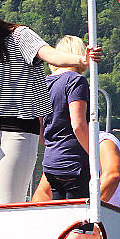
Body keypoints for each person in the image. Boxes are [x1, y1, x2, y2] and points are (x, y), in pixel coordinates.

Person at [0, 0, 102, 204]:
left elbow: (49, 54)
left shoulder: (19, 36)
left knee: (10, 202)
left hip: (18, 129)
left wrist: (81, 60)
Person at [34, 131, 120, 239]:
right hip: (69, 225)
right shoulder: (63, 149)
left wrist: (87, 212)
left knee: (80, 229)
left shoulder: (103, 142)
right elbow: (43, 193)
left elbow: (112, 175)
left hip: (106, 227)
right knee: (55, 231)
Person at [41, 35, 92, 200]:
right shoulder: (76, 82)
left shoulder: (45, 84)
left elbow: (38, 128)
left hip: (51, 163)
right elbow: (78, 125)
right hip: (74, 162)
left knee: (61, 216)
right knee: (80, 220)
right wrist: (95, 156)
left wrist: (53, 147)